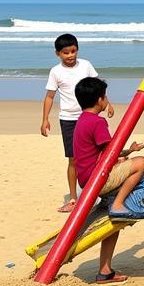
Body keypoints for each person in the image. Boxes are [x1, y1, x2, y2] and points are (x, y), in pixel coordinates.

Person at [72, 77, 144, 284]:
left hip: (89, 180)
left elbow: (106, 153)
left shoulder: (82, 120)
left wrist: (127, 152)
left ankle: (105, 272)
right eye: (105, 96)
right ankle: (118, 203)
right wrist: (129, 156)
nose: (106, 100)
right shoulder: (98, 122)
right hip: (97, 179)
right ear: (100, 99)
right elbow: (111, 153)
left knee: (113, 225)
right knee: (141, 163)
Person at [41, 33, 113, 213]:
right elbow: (49, 97)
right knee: (73, 159)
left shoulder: (86, 65)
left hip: (89, 117)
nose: (70, 55)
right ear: (58, 54)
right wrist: (45, 119)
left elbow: (98, 88)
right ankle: (74, 198)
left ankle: (101, 194)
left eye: (73, 51)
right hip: (69, 119)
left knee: (98, 154)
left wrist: (108, 103)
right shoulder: (56, 72)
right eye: (66, 53)